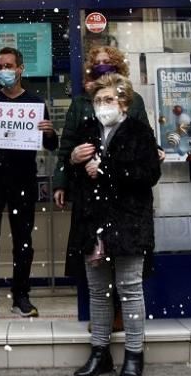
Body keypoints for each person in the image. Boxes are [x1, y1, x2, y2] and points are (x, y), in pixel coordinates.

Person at [53, 46, 155, 332]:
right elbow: (67, 145)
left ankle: (122, 315)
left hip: (124, 200)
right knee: (95, 256)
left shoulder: (130, 101)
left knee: (124, 259)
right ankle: (101, 319)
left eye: (107, 62)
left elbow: (143, 140)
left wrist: (150, 153)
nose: (101, 66)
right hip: (91, 198)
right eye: (96, 63)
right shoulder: (80, 103)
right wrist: (63, 177)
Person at [69, 73, 161, 376]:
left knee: (130, 289)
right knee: (98, 290)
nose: (101, 106)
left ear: (123, 103)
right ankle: (99, 352)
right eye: (97, 101)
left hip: (128, 221)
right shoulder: (86, 130)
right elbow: (76, 175)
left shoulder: (138, 132)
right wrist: (72, 160)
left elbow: (149, 174)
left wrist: (106, 168)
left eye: (108, 100)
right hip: (93, 221)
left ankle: (134, 355)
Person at [0, 47, 58, 323]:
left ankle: (21, 296)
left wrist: (50, 132)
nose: (3, 70)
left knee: (23, 241)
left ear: (20, 68)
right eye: (0, 66)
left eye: (8, 65)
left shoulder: (35, 103)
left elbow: (51, 145)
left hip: (23, 180)